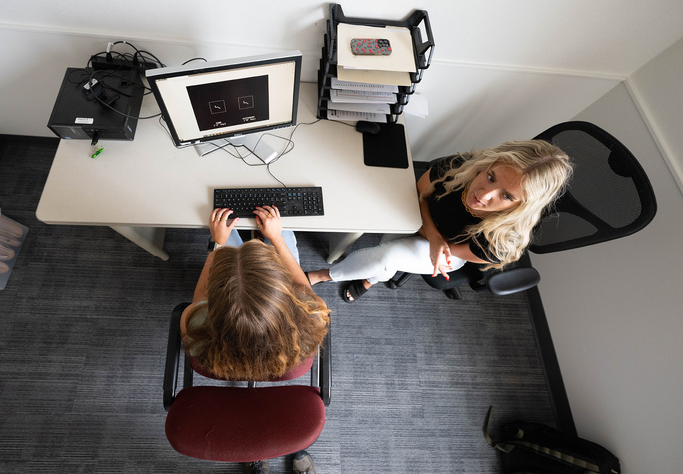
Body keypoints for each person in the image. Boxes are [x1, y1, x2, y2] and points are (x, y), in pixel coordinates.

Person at [307, 140, 573, 302]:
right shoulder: (459, 165)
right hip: (422, 222)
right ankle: (372, 279)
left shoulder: (501, 241)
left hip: (448, 250)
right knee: (385, 256)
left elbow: (447, 252)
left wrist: (430, 237)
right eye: (490, 177)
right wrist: (433, 235)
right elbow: (419, 193)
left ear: (521, 206)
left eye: (505, 195)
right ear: (486, 165)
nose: (484, 194)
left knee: (385, 258)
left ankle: (324, 275)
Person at [181, 205, 330, 381]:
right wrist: (276, 238)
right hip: (281, 362)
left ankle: (240, 236)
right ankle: (264, 236)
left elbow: (198, 298)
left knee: (225, 228)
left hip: (227, 365)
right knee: (286, 233)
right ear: (283, 289)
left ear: (215, 293)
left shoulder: (194, 325)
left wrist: (217, 243)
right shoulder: (313, 315)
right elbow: (302, 287)